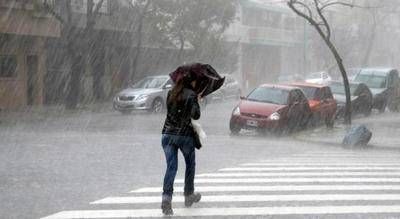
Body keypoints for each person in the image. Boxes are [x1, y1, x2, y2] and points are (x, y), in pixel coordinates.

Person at [160, 73, 202, 215]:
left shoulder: (171, 93)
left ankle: (166, 199)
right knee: (190, 165)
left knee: (171, 167)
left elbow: (171, 113)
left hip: (167, 134)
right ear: (190, 82)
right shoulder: (191, 94)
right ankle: (188, 195)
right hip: (184, 136)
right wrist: (197, 101)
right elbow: (195, 115)